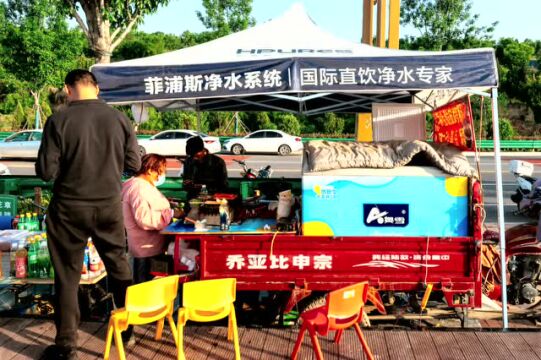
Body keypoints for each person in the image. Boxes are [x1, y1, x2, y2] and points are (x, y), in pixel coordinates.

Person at [36, 69, 141, 360]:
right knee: (119, 268)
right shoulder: (120, 120)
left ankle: (67, 345)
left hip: (68, 209)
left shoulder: (58, 121)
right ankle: (127, 329)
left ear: (68, 90)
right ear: (96, 88)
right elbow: (134, 163)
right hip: (108, 206)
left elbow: (46, 172)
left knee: (67, 277)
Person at [122, 154, 182, 283]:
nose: (160, 175)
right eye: (160, 171)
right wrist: (170, 214)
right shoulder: (139, 188)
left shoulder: (141, 184)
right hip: (146, 250)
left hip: (153, 247)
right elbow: (144, 219)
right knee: (146, 289)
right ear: (150, 170)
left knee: (155, 286)